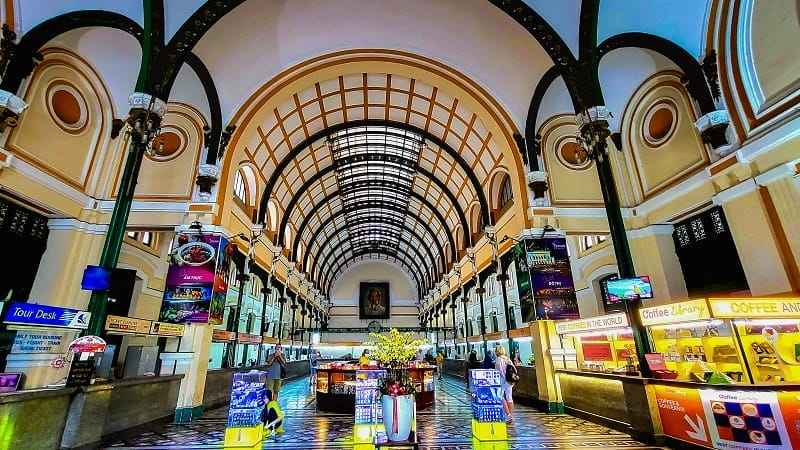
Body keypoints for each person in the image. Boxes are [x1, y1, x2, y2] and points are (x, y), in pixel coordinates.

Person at [494, 346, 516, 423]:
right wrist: (511, 380)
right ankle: (510, 416)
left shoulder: (498, 360)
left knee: (500, 397)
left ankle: (508, 415)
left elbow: (499, 371)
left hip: (502, 381)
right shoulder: (507, 359)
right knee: (509, 397)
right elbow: (514, 370)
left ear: (497, 351)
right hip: (510, 381)